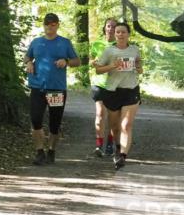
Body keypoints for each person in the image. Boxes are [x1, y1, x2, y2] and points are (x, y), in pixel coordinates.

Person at [24, 13, 81, 165]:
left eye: (53, 24)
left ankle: (51, 151)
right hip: (37, 87)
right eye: (47, 24)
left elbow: (77, 61)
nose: (50, 26)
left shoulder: (64, 43)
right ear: (44, 25)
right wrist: (28, 63)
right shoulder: (36, 42)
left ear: (57, 25)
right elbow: (27, 57)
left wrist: (66, 61)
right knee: (36, 120)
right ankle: (39, 152)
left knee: (54, 124)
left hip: (56, 89)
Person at [93, 22, 143, 170]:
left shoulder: (135, 50)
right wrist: (112, 66)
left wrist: (139, 67)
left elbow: (139, 69)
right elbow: (98, 70)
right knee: (115, 126)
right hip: (112, 91)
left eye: (123, 32)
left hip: (131, 90)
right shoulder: (109, 51)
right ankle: (117, 147)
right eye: (118, 32)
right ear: (115, 34)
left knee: (126, 125)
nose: (120, 34)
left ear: (128, 34)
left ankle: (122, 156)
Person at [90, 18, 118, 156]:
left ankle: (110, 144)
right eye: (108, 26)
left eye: (114, 26)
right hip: (99, 84)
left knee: (113, 118)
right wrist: (93, 62)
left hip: (116, 85)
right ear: (104, 28)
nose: (111, 29)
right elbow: (91, 60)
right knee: (100, 114)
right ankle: (99, 145)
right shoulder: (97, 44)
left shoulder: (122, 45)